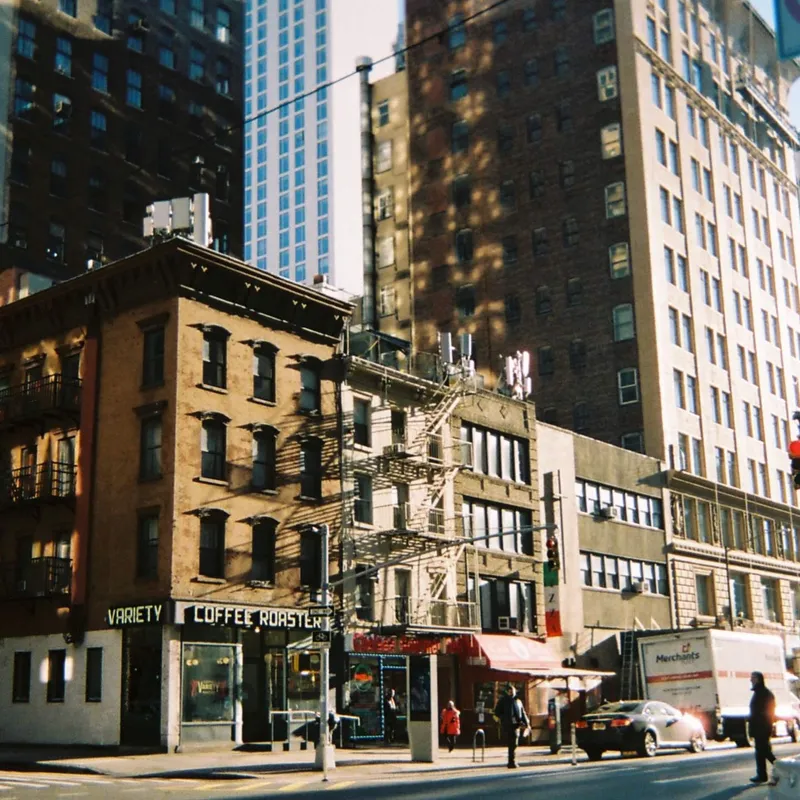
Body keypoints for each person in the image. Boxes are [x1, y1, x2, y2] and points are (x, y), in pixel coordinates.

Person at [749, 671, 776, 784]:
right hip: (758, 727)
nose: (751, 680)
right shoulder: (758, 692)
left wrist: (765, 726)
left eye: (753, 678)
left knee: (765, 751)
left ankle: (783, 768)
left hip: (763, 728)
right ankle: (762, 775)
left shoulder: (764, 693)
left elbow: (768, 712)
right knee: (760, 752)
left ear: (759, 679)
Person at [494, 684, 529, 768]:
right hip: (508, 725)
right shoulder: (503, 701)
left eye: (512, 691)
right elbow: (497, 713)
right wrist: (502, 719)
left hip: (516, 724)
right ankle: (511, 761)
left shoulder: (518, 701)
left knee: (514, 744)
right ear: (507, 692)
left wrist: (526, 723)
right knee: (511, 744)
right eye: (509, 691)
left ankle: (512, 761)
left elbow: (522, 712)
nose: (511, 692)